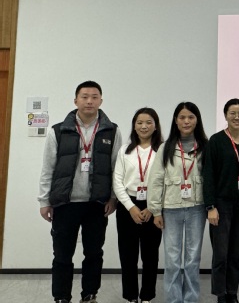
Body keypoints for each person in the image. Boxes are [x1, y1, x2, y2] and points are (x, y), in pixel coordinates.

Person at [38, 81, 123, 303]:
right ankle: (61, 297)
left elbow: (117, 168)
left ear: (101, 101)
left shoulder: (112, 131)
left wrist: (113, 197)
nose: (89, 101)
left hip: (97, 203)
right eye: (84, 96)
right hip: (64, 203)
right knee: (62, 255)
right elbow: (48, 168)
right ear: (75, 100)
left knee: (94, 253)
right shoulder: (58, 131)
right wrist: (44, 201)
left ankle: (89, 295)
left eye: (94, 97)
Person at [147, 102, 208, 303]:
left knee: (192, 259)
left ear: (197, 120)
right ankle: (173, 300)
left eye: (190, 117)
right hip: (171, 208)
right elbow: (156, 179)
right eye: (182, 117)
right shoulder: (166, 147)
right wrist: (156, 210)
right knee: (172, 259)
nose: (186, 121)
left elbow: (211, 179)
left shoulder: (205, 146)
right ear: (175, 120)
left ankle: (190, 299)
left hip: (197, 208)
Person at [203, 98, 239, 303]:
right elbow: (208, 175)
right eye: (232, 113)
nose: (237, 117)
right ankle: (220, 294)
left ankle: (232, 292)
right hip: (221, 204)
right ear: (225, 115)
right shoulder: (216, 140)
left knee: (236, 253)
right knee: (221, 254)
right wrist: (210, 206)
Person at [113, 107, 164, 303]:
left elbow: (167, 181)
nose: (144, 126)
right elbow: (117, 182)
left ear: (155, 126)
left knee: (151, 256)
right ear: (134, 126)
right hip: (128, 206)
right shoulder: (125, 150)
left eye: (149, 122)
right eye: (140, 122)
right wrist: (131, 207)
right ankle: (131, 297)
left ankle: (147, 297)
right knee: (128, 255)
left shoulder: (163, 150)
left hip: (154, 206)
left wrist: (153, 207)